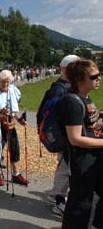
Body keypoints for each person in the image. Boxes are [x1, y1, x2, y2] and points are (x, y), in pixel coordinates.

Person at [58, 59, 103, 229]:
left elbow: (90, 124)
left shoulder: (86, 98)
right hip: (82, 159)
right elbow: (75, 138)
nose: (98, 79)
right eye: (94, 76)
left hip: (95, 155)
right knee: (80, 204)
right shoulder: (72, 102)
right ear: (79, 79)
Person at [46, 54, 80, 215]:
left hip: (67, 134)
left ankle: (60, 198)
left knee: (65, 166)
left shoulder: (65, 86)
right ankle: (58, 201)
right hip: (64, 135)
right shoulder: (60, 88)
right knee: (64, 167)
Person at [0, 70, 28, 186]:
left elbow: (14, 111)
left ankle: (16, 174)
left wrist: (19, 119)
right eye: (3, 83)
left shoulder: (13, 90)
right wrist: (2, 117)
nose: (6, 85)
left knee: (14, 149)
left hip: (11, 125)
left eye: (7, 82)